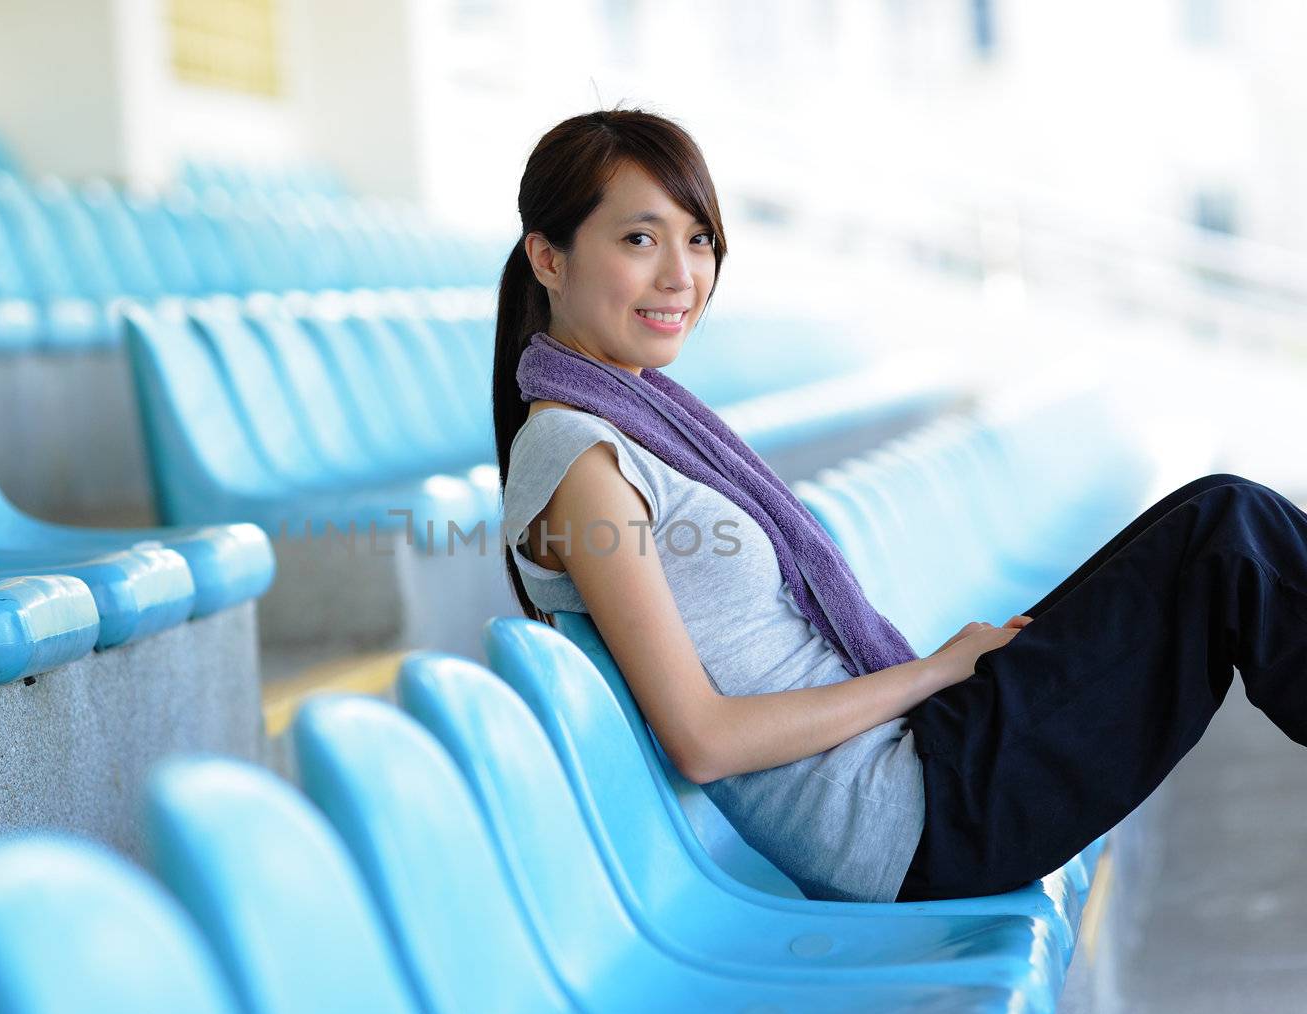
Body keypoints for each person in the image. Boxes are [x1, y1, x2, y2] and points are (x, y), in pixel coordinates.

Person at [493, 107, 1307, 905]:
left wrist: (940, 679)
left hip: (922, 759)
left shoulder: (635, 419)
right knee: (1229, 533)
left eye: (698, 237)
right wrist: (935, 671)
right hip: (915, 818)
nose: (682, 274)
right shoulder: (580, 461)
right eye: (640, 238)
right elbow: (702, 739)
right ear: (549, 258)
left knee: (1213, 516)